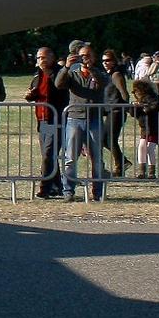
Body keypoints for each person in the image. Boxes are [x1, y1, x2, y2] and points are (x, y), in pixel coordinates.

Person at [55, 43, 107, 201]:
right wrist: (66, 67)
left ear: (94, 57)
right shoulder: (72, 73)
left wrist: (91, 69)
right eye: (82, 56)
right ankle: (68, 191)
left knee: (97, 158)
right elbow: (58, 84)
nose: (85, 59)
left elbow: (103, 84)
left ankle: (97, 192)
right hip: (74, 119)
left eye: (88, 55)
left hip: (94, 120)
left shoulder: (98, 73)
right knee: (70, 157)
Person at [24, 47, 69, 198]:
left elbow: (58, 87)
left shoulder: (58, 72)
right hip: (41, 120)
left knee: (48, 155)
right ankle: (57, 186)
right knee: (48, 156)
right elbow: (34, 92)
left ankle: (45, 188)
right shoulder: (37, 74)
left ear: (52, 58)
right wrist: (29, 95)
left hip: (55, 119)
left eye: (43, 58)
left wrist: (47, 73)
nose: (40, 61)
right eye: (38, 58)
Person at [98, 49, 131, 176]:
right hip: (110, 111)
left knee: (110, 139)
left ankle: (120, 165)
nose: (105, 63)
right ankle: (122, 162)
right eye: (103, 61)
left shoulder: (116, 75)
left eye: (108, 60)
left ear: (114, 61)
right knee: (106, 140)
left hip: (117, 110)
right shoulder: (107, 74)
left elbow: (124, 93)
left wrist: (126, 107)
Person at [127, 78, 159, 178]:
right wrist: (133, 107)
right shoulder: (139, 101)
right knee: (141, 147)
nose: (135, 93)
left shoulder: (152, 98)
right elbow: (134, 114)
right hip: (145, 128)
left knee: (150, 148)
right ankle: (141, 171)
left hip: (155, 128)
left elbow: (156, 106)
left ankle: (151, 172)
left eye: (136, 91)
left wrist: (144, 107)